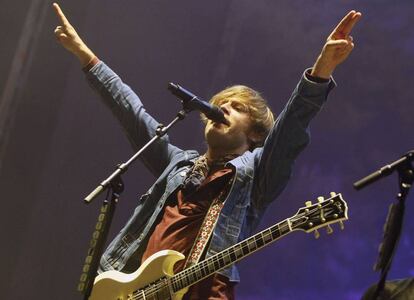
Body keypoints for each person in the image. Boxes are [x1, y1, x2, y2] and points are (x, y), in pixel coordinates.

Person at [53, 3, 361, 299]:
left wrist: (322, 69)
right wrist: (86, 56)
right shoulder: (178, 164)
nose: (223, 108)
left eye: (236, 108)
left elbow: (291, 128)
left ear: (254, 133)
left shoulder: (257, 173)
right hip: (134, 292)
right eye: (221, 104)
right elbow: (132, 115)